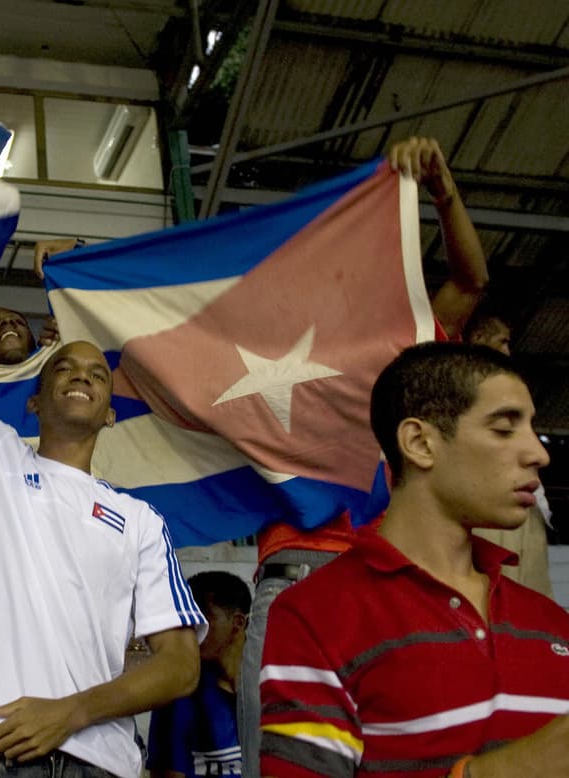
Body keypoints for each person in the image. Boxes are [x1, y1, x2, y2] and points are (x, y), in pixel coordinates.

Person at [238, 136, 491, 777]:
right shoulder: (240, 358)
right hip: (296, 576)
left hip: (390, 577)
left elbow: (471, 282)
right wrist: (74, 272)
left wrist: (442, 190)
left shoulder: (400, 348)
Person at [259, 341, 569, 777]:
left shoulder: (552, 623)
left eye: (532, 429)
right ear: (420, 443)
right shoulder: (316, 616)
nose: (539, 453)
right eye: (504, 429)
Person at [0, 337, 207, 778]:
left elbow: (180, 666)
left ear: (110, 415)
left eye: (97, 374)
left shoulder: (141, 521)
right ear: (34, 402)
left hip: (103, 758)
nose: (82, 375)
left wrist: (71, 712)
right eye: (64, 368)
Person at [463, 311, 555, 596]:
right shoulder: (455, 394)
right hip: (490, 506)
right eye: (502, 341)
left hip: (527, 505)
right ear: (478, 337)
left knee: (529, 602)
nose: (507, 351)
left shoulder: (508, 388)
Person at [148, 571, 251, 778]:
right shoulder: (177, 695)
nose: (194, 630)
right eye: (188, 621)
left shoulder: (267, 692)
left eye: (203, 618)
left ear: (238, 623)